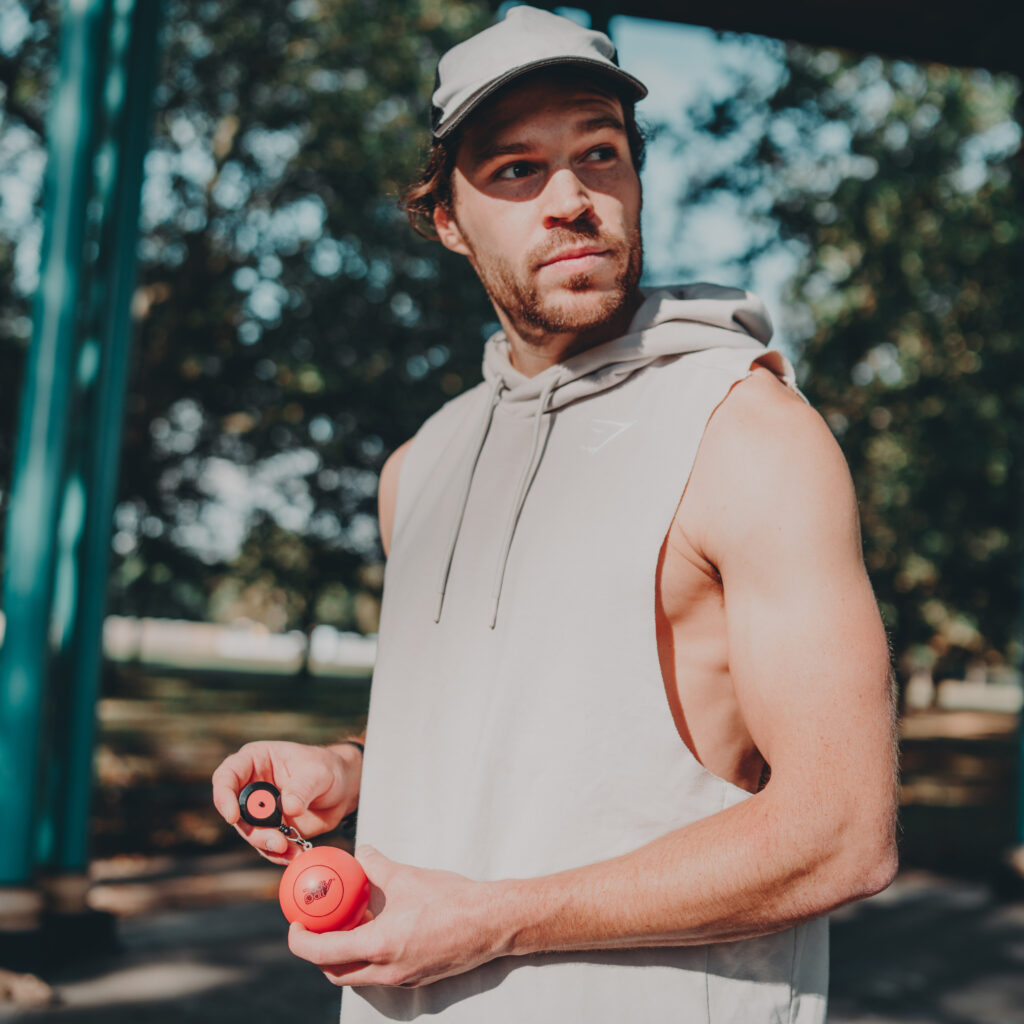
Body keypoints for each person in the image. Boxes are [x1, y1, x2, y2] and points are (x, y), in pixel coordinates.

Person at [212, 7, 898, 1022]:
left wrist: (492, 920)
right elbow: (529, 732)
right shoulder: (422, 466)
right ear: (446, 217)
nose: (571, 199)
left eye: (599, 154)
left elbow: (843, 831)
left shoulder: (746, 433)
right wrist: (351, 770)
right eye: (515, 171)